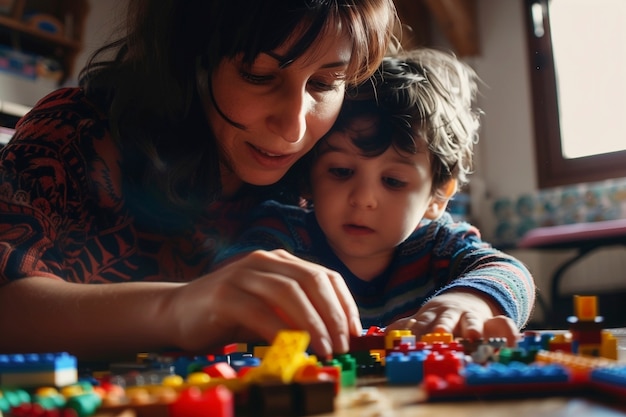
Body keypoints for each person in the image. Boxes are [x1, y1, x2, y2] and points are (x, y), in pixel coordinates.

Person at [0, 0, 399, 358]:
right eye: (258, 75)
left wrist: (461, 296)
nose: (294, 129)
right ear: (188, 59)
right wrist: (179, 307)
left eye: (325, 84)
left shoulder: (325, 164)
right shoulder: (74, 131)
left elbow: (435, 232)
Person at [214, 48, 536, 345]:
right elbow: (231, 278)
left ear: (437, 197)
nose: (364, 199)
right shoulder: (283, 232)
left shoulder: (439, 244)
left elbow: (511, 273)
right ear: (309, 177)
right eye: (340, 171)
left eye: (393, 181)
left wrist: (470, 301)